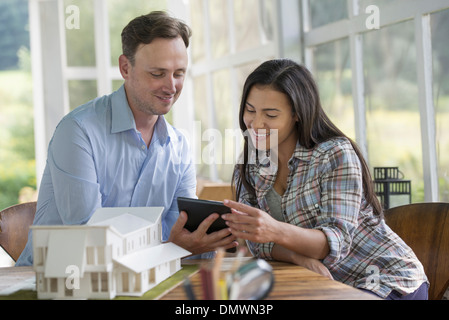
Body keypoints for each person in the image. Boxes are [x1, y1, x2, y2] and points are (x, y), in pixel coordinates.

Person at [16, 11, 237, 266]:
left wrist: (209, 237)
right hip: (51, 282)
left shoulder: (179, 146)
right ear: (125, 67)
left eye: (179, 73)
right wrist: (174, 248)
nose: (171, 86)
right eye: (157, 73)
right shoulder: (78, 132)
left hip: (141, 280)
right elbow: (88, 242)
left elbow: (183, 234)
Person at [222, 59, 429, 300]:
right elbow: (257, 242)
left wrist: (274, 230)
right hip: (324, 284)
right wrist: (297, 257)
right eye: (250, 110)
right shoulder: (251, 164)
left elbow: (335, 242)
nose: (256, 124)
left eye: (270, 114)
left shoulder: (334, 154)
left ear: (297, 114)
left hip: (385, 280)